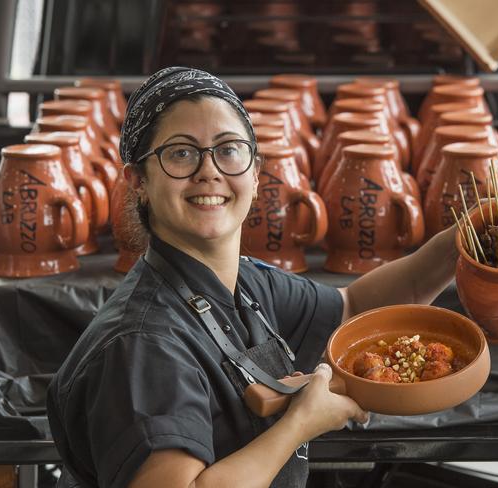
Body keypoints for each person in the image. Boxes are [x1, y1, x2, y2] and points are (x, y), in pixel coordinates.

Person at [47, 67, 458, 488]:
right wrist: (298, 425)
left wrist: (457, 243)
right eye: (181, 153)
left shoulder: (243, 283)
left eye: (228, 149)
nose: (209, 171)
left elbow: (353, 309)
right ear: (138, 182)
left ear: (256, 173)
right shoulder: (144, 344)